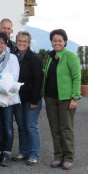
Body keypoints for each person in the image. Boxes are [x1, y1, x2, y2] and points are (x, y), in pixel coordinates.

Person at [43, 29, 81, 170]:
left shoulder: (70, 56)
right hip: (50, 98)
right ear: (51, 42)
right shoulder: (51, 57)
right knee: (55, 129)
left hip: (66, 99)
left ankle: (68, 157)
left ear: (65, 41)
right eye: (54, 40)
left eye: (60, 40)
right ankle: (58, 156)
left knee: (66, 129)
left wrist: (74, 98)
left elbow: (76, 77)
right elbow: (48, 75)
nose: (57, 43)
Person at [12, 31, 43, 166]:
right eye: (20, 41)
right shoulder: (14, 57)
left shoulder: (34, 59)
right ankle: (23, 152)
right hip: (18, 98)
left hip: (31, 100)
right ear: (16, 41)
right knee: (21, 126)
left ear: (29, 43)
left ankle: (34, 154)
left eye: (25, 41)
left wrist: (35, 100)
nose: (22, 43)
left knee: (31, 126)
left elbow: (38, 80)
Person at [0, 33, 19, 167]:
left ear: (6, 44)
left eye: (2, 42)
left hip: (7, 97)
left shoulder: (12, 57)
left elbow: (14, 77)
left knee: (7, 126)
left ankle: (6, 153)